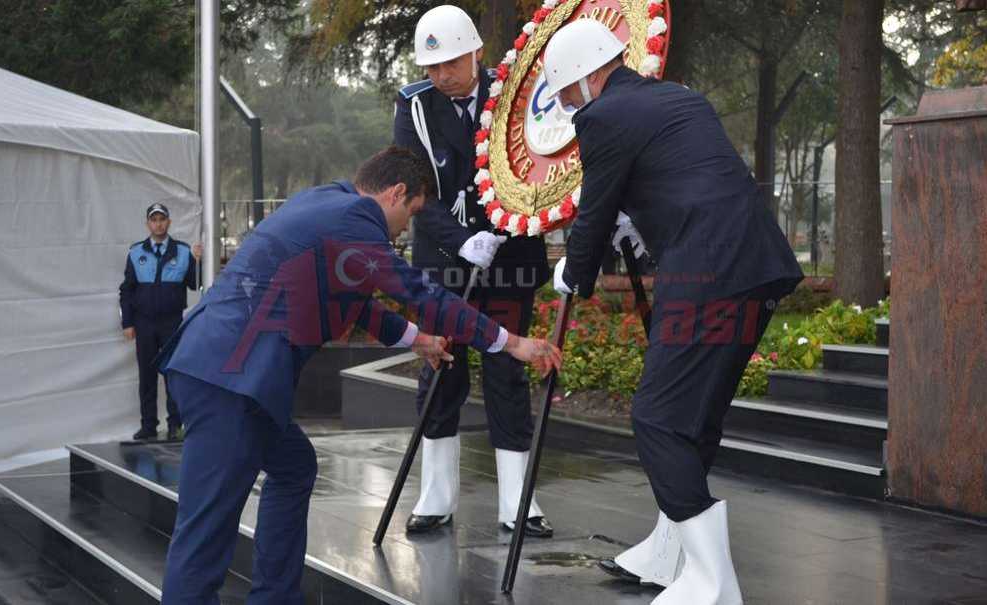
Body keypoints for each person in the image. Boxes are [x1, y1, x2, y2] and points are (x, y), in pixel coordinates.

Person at [155, 146, 562, 604]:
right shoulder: (356, 217)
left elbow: (353, 300)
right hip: (228, 378)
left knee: (293, 468)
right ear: (396, 192)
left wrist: (419, 341)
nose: (406, 227)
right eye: (411, 213)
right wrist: (511, 342)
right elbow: (417, 291)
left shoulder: (325, 202)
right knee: (206, 527)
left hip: (230, 371)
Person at [543, 20, 804, 605]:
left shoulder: (603, 117)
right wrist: (642, 218)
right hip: (756, 264)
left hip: (708, 271)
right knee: (694, 418)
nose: (563, 106)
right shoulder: (678, 97)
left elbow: (594, 208)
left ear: (587, 78)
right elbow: (683, 178)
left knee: (658, 418)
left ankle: (712, 583)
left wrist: (574, 272)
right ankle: (671, 550)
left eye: (563, 93)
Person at [393, 4, 554, 537]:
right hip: (445, 264)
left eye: (452, 64)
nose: (442, 76)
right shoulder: (413, 108)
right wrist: (462, 241)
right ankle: (436, 498)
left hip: (510, 259)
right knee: (442, 370)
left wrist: (511, 225)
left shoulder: (515, 94)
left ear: (477, 52)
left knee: (508, 372)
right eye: (432, 68)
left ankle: (518, 504)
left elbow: (540, 161)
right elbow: (416, 191)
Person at [119, 203, 202, 441]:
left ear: (169, 222)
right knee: (147, 375)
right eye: (154, 220)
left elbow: (195, 285)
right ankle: (148, 426)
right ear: (148, 224)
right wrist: (128, 323)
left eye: (162, 219)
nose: (158, 224)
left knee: (172, 374)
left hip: (172, 324)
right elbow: (126, 291)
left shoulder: (183, 252)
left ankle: (175, 425)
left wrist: (198, 262)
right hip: (144, 324)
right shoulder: (136, 253)